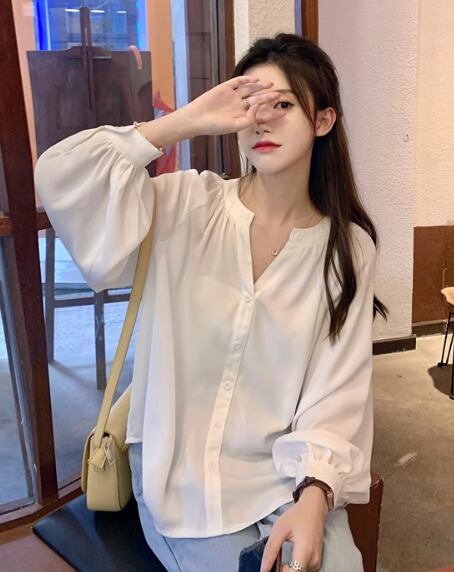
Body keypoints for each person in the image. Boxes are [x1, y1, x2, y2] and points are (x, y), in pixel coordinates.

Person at [35, 33, 387, 572]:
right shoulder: (184, 206)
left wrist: (315, 496)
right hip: (181, 481)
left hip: (286, 476)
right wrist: (183, 122)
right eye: (249, 105)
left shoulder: (347, 248)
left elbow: (336, 390)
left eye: (282, 105)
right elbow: (60, 174)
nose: (261, 121)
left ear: (323, 120)